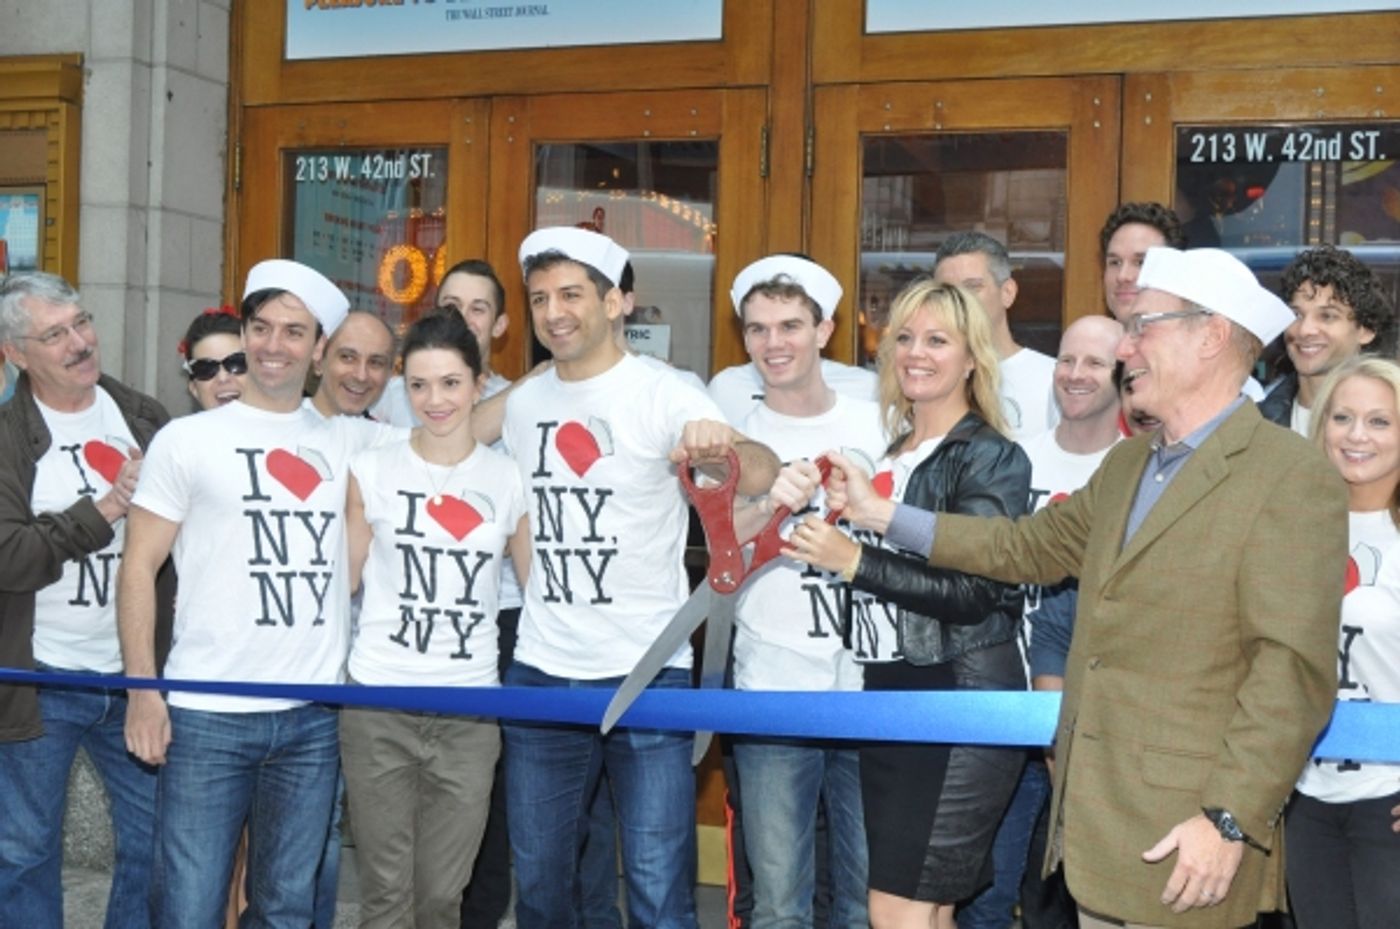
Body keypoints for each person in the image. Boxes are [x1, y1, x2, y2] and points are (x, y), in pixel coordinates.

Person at [791, 247, 1346, 928]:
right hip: (1098, 829)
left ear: (1211, 335)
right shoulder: (1130, 462)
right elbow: (1026, 546)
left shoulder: (1289, 474)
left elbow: (1292, 675)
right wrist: (881, 516)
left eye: (1144, 325)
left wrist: (1228, 817)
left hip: (1191, 832)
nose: (1124, 344)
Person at [501, 226, 778, 929]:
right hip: (540, 669)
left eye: (571, 294)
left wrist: (727, 446)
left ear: (617, 301)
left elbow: (758, 473)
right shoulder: (525, 402)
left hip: (649, 671)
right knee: (539, 884)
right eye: (539, 298)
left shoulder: (664, 392)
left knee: (660, 888)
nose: (554, 312)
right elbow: (453, 437)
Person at [118, 259, 396, 927]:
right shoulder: (186, 440)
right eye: (263, 327)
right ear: (245, 333)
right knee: (185, 906)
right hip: (205, 712)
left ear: (320, 348)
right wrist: (142, 691)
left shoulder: (356, 442)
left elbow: (458, 434)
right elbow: (138, 566)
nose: (275, 345)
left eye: (295, 331)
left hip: (311, 717)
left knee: (285, 908)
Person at [772, 278, 1030, 929]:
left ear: (973, 356)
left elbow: (977, 593)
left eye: (938, 339)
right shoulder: (892, 455)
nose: (916, 352)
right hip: (888, 690)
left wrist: (853, 559)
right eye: (906, 337)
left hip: (957, 694)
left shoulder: (993, 457)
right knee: (923, 910)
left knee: (896, 909)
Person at [341, 308, 529, 929]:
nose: (435, 399)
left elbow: (538, 596)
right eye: (418, 384)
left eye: (450, 382)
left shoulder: (508, 481)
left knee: (441, 898)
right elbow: (341, 583)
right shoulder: (371, 469)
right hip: (378, 704)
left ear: (479, 384)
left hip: (470, 711)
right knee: (385, 897)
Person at [0, 270, 172, 929]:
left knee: (160, 837)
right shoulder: (8, 439)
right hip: (38, 677)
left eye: (82, 321)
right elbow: (9, 557)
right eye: (55, 333)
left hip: (135, 677)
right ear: (16, 353)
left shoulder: (145, 415)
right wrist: (106, 506)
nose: (80, 342)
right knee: (22, 852)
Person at [728, 254, 880, 929]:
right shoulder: (735, 431)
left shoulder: (878, 419)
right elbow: (716, 551)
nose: (773, 343)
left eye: (790, 324)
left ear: (826, 329)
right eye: (757, 329)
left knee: (867, 898)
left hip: (868, 685)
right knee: (779, 903)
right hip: (771, 681)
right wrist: (766, 505)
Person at [960, 316, 1125, 929]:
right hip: (1003, 707)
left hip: (1088, 721)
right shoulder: (1013, 460)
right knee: (987, 894)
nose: (1076, 375)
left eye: (1095, 363)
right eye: (1066, 359)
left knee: (1069, 900)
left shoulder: (1136, 473)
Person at [1285, 356, 1400, 929]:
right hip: (1304, 797)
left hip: (1392, 798)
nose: (1357, 436)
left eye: (1380, 422)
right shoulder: (1288, 526)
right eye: (1343, 417)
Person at [1259, 245, 1396, 436]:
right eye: (1296, 315)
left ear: (1366, 329)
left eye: (1327, 316)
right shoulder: (1257, 422)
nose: (1305, 330)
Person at [932, 231, 1056, 440]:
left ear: (1007, 292)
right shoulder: (924, 378)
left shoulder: (1053, 380)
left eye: (972, 287)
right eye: (947, 292)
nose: (960, 301)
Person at [1099, 202, 1187, 321]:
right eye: (1115, 263)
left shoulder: (1203, 338)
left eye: (1141, 263)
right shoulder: (1087, 337)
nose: (1123, 276)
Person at [310, 309, 395, 418]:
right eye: (348, 357)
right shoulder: (283, 427)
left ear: (389, 375)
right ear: (319, 361)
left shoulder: (387, 434)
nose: (361, 376)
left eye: (375, 362)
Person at [179, 305, 245, 410]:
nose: (223, 378)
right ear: (194, 388)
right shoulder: (177, 427)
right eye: (206, 368)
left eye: (236, 363)